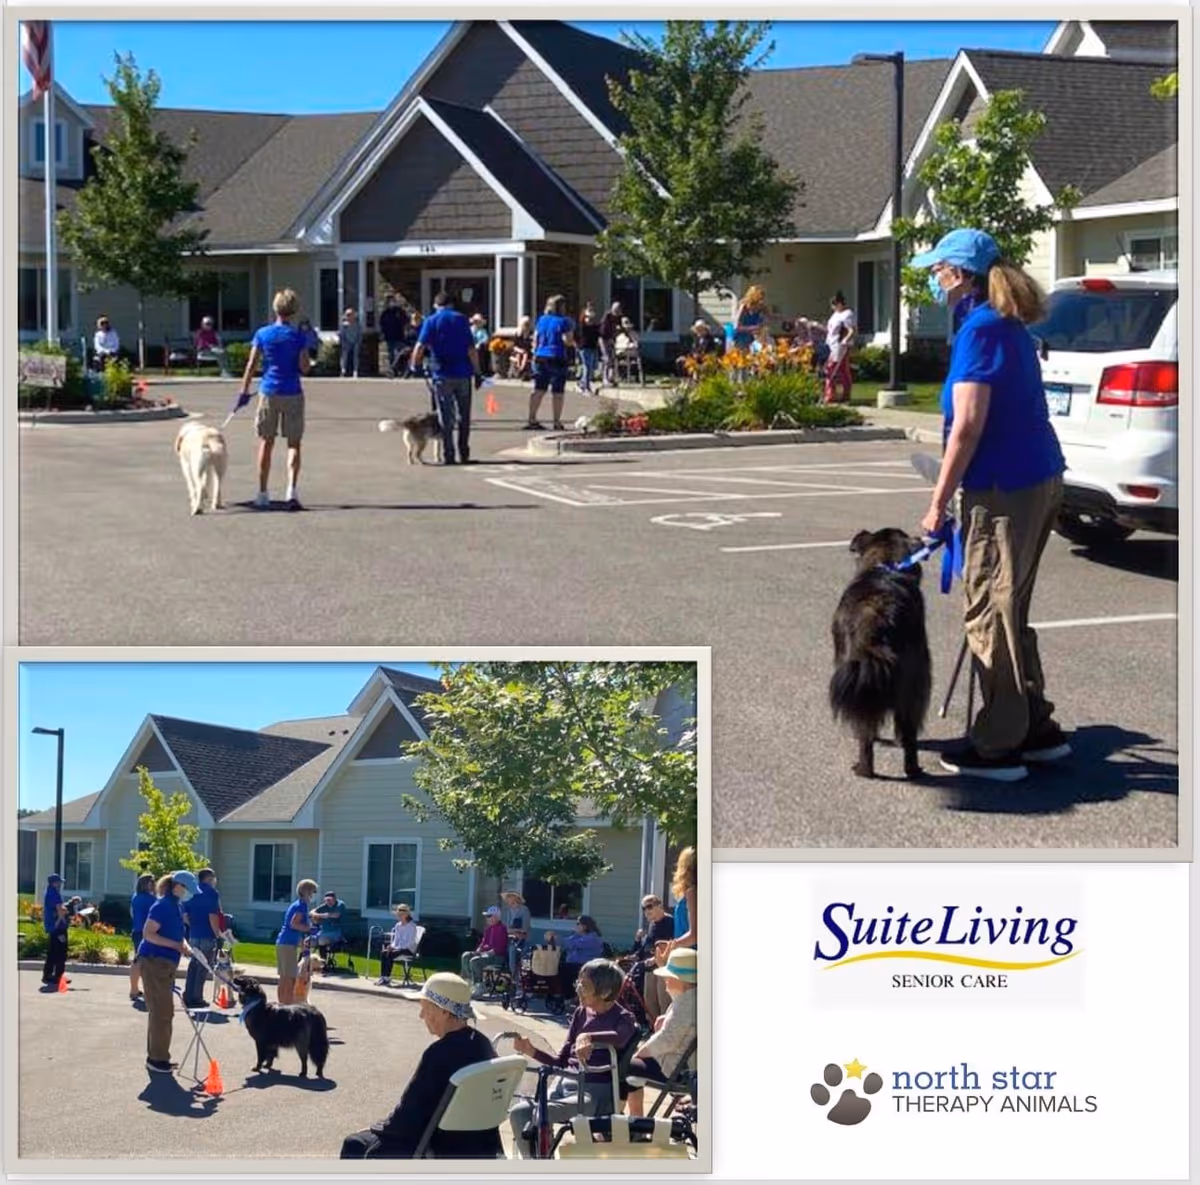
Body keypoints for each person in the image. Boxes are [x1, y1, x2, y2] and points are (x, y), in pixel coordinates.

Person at [911, 227, 1070, 782]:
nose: (933, 278)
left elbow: (968, 426)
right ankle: (1035, 727)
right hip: (1038, 477)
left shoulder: (980, 330)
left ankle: (1000, 745)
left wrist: (936, 503)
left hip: (1003, 489)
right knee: (1011, 609)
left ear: (958, 273)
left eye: (937, 270)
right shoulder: (1005, 324)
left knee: (988, 611)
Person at [340, 973, 501, 1158]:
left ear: (444, 1011)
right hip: (479, 1145)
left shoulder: (439, 1053)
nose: (421, 1015)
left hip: (439, 1145)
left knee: (354, 1144)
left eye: (425, 1008)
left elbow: (407, 1117)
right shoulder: (483, 1044)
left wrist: (376, 1128)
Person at [508, 959, 637, 1153]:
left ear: (604, 992)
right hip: (564, 1082)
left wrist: (589, 1037)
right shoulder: (580, 1014)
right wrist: (531, 1050)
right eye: (578, 983)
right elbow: (561, 1061)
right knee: (519, 1113)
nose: (578, 989)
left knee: (541, 1113)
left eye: (584, 986)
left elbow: (619, 1038)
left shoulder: (623, 1018)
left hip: (593, 1092)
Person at [238, 288, 312, 511]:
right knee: (293, 442)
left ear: (275, 309)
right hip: (292, 392)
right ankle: (292, 490)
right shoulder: (298, 336)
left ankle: (262, 492)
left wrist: (243, 392)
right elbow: (304, 367)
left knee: (266, 441)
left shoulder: (263, 334)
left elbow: (251, 365)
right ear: (294, 310)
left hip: (269, 390)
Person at [412, 291, 482, 466]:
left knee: (445, 416)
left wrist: (415, 365)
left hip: (441, 373)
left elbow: (420, 346)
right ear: (451, 304)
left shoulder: (431, 321)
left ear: (436, 306)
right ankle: (464, 453)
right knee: (463, 415)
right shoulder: (461, 320)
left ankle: (448, 454)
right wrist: (478, 372)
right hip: (463, 373)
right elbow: (471, 349)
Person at [137, 870, 198, 1073]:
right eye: (188, 889)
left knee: (164, 1012)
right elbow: (148, 934)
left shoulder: (177, 906)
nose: (189, 894)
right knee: (161, 1012)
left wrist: (185, 947)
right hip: (154, 961)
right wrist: (175, 945)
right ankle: (156, 1059)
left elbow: (177, 934)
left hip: (166, 963)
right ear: (177, 886)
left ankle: (160, 1056)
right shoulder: (162, 905)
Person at [626, 948, 698, 1117]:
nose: (665, 980)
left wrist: (640, 1053)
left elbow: (667, 1040)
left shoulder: (687, 1005)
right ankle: (635, 1120)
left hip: (679, 1069)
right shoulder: (693, 998)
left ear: (682, 981)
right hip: (686, 1065)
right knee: (630, 1065)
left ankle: (635, 1121)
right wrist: (666, 1017)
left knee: (624, 1066)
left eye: (668, 977)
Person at [526, 294, 575, 431]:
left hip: (541, 356)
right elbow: (567, 340)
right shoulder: (564, 321)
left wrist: (534, 354)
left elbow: (535, 339)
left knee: (538, 389)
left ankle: (532, 418)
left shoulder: (541, 320)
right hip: (557, 357)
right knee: (557, 392)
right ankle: (556, 422)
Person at [181, 867, 222, 1008]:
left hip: (193, 934)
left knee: (193, 966)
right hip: (206, 934)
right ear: (209, 878)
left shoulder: (191, 892)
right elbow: (213, 916)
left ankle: (188, 994)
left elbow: (185, 916)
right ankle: (197, 997)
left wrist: (193, 925)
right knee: (203, 967)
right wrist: (218, 934)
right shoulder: (211, 893)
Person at [632, 894, 676, 1021]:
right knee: (649, 1000)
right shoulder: (652, 925)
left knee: (664, 1001)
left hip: (664, 966)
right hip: (650, 968)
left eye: (649, 906)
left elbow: (672, 944)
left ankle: (666, 1030)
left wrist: (656, 959)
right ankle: (654, 1030)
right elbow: (648, 946)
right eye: (644, 908)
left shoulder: (670, 922)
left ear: (659, 905)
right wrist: (635, 955)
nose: (646, 911)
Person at [276, 878, 318, 1003]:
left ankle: (282, 1003)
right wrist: (309, 928)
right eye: (313, 891)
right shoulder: (301, 906)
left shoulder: (297, 904)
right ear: (306, 892)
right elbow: (294, 924)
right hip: (288, 944)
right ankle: (288, 1005)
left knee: (284, 977)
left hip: (284, 942)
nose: (314, 894)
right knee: (290, 978)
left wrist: (302, 944)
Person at [460, 907, 509, 994]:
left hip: (497, 957)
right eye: (487, 916)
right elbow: (483, 943)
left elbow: (500, 948)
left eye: (489, 916)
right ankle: (468, 982)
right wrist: (478, 950)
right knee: (466, 955)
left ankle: (480, 985)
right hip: (486, 954)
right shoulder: (488, 929)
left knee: (475, 961)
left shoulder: (502, 929)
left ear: (496, 917)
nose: (487, 918)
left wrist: (486, 953)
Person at [560, 915, 604, 999]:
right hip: (576, 964)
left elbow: (571, 944)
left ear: (584, 926)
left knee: (563, 969)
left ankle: (570, 997)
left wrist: (557, 939)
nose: (576, 926)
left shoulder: (592, 938)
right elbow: (567, 941)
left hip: (585, 965)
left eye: (578, 924)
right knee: (561, 966)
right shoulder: (578, 935)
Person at [128, 873, 156, 1002]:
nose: (154, 884)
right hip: (147, 932)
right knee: (147, 962)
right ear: (146, 884)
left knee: (137, 960)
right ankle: (146, 990)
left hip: (136, 930)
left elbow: (132, 913)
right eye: (152, 882)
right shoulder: (150, 899)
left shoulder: (135, 897)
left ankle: (134, 989)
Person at [824, 291, 856, 404]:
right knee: (832, 369)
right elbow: (830, 330)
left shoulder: (847, 314)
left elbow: (851, 330)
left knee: (834, 369)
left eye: (834, 304)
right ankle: (834, 393)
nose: (833, 307)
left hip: (840, 345)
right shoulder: (835, 315)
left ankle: (835, 394)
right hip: (830, 344)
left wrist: (845, 341)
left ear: (839, 304)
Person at [377, 903, 419, 985]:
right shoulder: (398, 926)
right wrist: (391, 946)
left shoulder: (412, 926)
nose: (399, 916)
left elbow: (409, 943)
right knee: (384, 952)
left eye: (401, 915)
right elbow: (396, 940)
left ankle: (387, 977)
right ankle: (383, 977)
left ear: (406, 915)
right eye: (398, 915)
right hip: (399, 948)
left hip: (408, 949)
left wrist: (396, 948)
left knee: (390, 954)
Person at [40, 872, 68, 991]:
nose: (60, 884)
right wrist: (62, 920)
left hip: (52, 927)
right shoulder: (54, 894)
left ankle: (48, 975)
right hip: (58, 928)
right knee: (61, 952)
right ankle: (58, 976)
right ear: (54, 883)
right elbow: (60, 909)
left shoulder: (49, 892)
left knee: (52, 952)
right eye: (59, 882)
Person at [310, 889, 346, 968]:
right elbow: (312, 912)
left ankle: (323, 964)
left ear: (335, 899)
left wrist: (323, 915)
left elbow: (336, 915)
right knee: (307, 942)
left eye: (330, 900)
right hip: (323, 931)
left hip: (335, 932)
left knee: (322, 940)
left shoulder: (340, 904)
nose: (328, 902)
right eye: (326, 900)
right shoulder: (325, 906)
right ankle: (305, 964)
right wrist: (319, 915)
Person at [501, 890, 531, 977]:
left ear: (516, 898)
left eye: (509, 897)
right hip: (513, 940)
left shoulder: (524, 910)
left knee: (525, 961)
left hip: (524, 940)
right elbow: (507, 928)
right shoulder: (509, 911)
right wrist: (515, 931)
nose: (508, 900)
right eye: (507, 898)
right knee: (512, 956)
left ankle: (525, 980)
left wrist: (516, 931)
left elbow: (525, 928)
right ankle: (514, 979)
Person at [379, 297, 408, 377]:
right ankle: (393, 371)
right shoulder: (385, 313)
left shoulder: (400, 311)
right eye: (390, 302)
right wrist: (383, 334)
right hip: (389, 337)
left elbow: (405, 321)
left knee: (399, 353)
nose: (391, 303)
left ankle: (399, 370)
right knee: (391, 354)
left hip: (399, 336)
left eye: (393, 301)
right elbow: (382, 324)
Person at [733, 285, 767, 350]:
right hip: (741, 338)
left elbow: (771, 316)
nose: (762, 300)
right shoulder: (744, 307)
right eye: (760, 297)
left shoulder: (760, 307)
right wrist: (754, 327)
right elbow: (737, 327)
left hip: (754, 337)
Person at [576, 303, 600, 393]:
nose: (591, 313)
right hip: (584, 347)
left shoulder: (595, 326)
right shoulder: (582, 325)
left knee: (591, 367)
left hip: (592, 347)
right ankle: (586, 386)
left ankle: (582, 382)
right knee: (587, 366)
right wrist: (577, 345)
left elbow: (598, 335)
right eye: (590, 311)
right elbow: (577, 334)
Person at [598, 302, 622, 386]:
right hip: (603, 339)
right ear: (613, 309)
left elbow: (619, 328)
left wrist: (616, 334)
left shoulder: (618, 317)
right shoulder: (607, 316)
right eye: (616, 310)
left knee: (612, 359)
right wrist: (610, 338)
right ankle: (605, 379)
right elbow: (602, 330)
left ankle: (611, 377)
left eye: (619, 310)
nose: (617, 312)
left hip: (611, 339)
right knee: (607, 359)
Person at [339, 308, 362, 378]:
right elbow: (342, 335)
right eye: (347, 315)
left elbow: (359, 335)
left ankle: (355, 371)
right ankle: (343, 370)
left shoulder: (357, 325)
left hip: (355, 342)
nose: (349, 316)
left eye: (350, 315)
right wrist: (344, 344)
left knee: (355, 356)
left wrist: (358, 343)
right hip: (347, 342)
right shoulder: (343, 326)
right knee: (344, 355)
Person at [510, 315, 533, 380]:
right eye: (525, 324)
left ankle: (521, 369)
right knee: (519, 354)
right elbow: (514, 346)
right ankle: (519, 369)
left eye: (528, 324)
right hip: (518, 350)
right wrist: (520, 350)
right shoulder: (518, 333)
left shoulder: (531, 333)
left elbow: (532, 344)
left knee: (525, 354)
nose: (527, 326)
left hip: (527, 351)